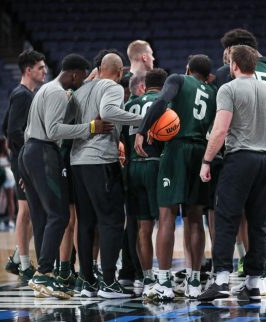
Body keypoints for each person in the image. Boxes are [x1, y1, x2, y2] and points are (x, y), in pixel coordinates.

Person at [197, 45, 266, 302]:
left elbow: (220, 130)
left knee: (226, 219)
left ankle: (222, 279)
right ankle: (254, 282)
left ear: (234, 65)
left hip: (241, 159)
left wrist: (207, 160)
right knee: (260, 222)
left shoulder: (229, 89)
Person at [19, 53, 111, 299]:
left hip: (29, 152)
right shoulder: (58, 92)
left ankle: (43, 277)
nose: (81, 83)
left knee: (42, 217)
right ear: (74, 74)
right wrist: (90, 128)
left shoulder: (46, 89)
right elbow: (54, 129)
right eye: (81, 78)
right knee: (59, 215)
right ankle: (44, 273)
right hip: (43, 152)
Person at [135, 54, 217, 301]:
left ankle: (163, 282)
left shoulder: (178, 79)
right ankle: (194, 282)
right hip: (201, 151)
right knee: (194, 218)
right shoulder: (213, 92)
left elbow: (161, 102)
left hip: (177, 150)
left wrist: (142, 130)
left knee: (167, 214)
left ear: (189, 68)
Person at [70, 53, 143, 299]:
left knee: (86, 222)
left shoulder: (80, 89)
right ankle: (110, 282)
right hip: (99, 160)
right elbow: (108, 111)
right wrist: (143, 120)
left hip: (77, 161)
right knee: (112, 220)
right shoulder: (111, 86)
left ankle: (87, 281)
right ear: (120, 72)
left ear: (99, 68)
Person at [2, 49, 46, 282]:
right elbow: (12, 131)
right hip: (23, 161)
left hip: (21, 158)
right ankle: (25, 264)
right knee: (26, 211)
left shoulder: (21, 93)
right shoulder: (23, 95)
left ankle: (18, 258)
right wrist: (28, 153)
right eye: (40, 67)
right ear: (28, 70)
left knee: (30, 210)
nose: (45, 70)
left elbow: (4, 126)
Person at [123, 68, 167, 298]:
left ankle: (146, 277)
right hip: (155, 165)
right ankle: (164, 278)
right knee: (164, 222)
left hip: (132, 166)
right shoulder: (162, 103)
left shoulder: (129, 105)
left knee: (143, 227)